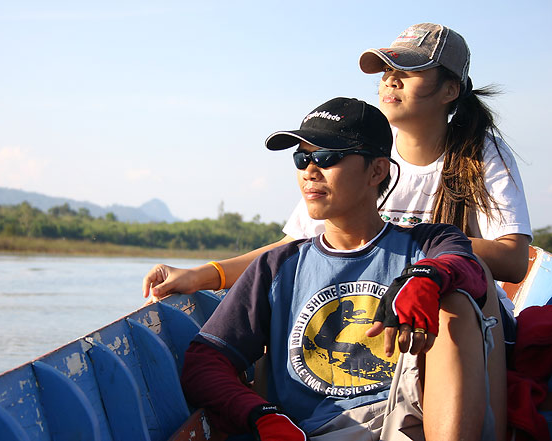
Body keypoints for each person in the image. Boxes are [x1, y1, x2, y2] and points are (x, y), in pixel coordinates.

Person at [181, 97, 499, 440]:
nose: (309, 171)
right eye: (302, 158)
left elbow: (468, 269)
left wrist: (427, 278)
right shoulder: (277, 268)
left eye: (326, 157)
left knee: (455, 305)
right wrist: (261, 415)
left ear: (377, 171)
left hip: (408, 420)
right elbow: (204, 362)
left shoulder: (429, 243)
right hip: (314, 432)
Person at [142, 22, 531, 301]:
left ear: (450, 89)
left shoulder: (478, 153)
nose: (390, 81)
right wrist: (201, 275)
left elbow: (513, 261)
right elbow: (293, 247)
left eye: (408, 72)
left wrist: (396, 243)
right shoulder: (362, 151)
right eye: (386, 72)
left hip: (456, 308)